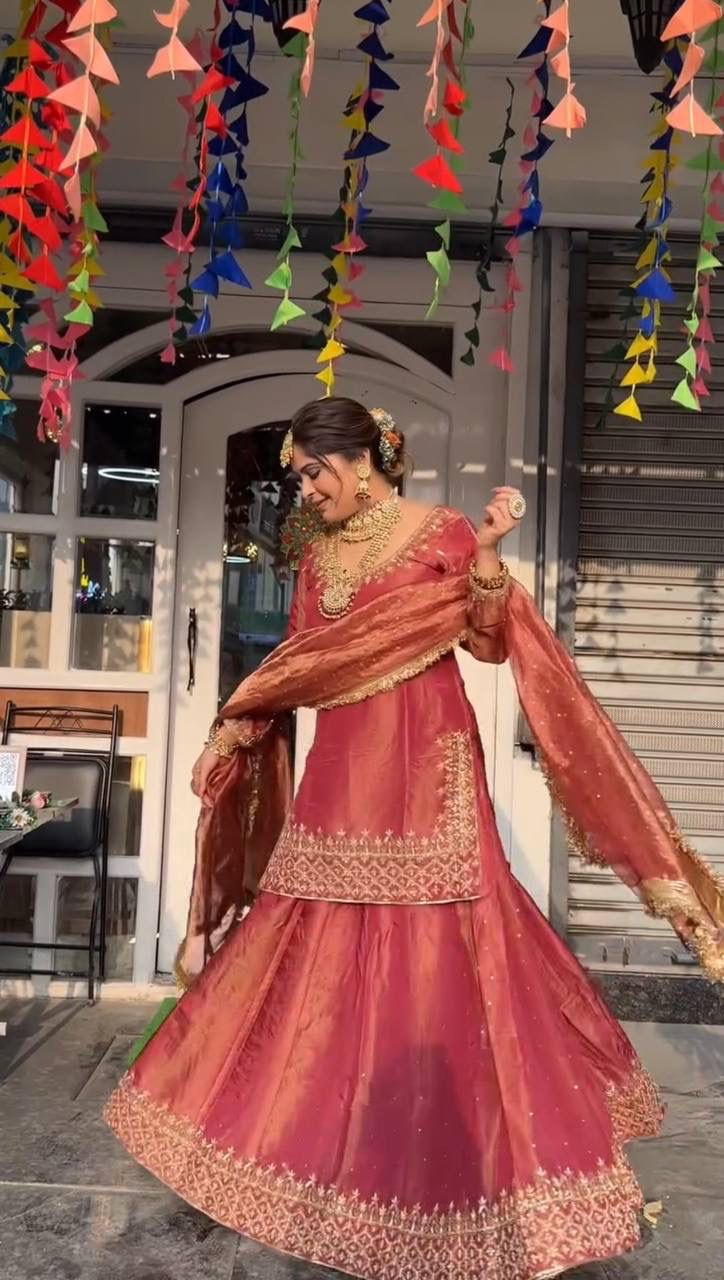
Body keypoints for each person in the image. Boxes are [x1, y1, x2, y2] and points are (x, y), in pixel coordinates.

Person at [105, 397, 724, 1280]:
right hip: (342, 769)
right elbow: (300, 662)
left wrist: (491, 555)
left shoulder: (443, 532)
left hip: (429, 763)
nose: (306, 491)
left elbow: (489, 643)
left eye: (313, 472)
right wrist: (237, 727)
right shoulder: (315, 556)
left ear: (361, 460)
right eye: (300, 478)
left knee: (449, 950)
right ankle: (308, 1154)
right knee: (312, 942)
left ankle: (509, 1188)